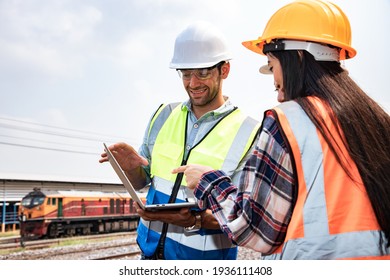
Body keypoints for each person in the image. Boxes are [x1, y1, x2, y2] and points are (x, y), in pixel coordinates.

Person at [173, 0, 390, 259]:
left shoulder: (288, 121)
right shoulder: (376, 120)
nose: (275, 87)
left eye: (272, 67)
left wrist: (208, 181)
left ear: (296, 57)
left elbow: (254, 229)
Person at [99, 21, 260, 260]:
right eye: (185, 73)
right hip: (150, 256)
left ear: (224, 70)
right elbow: (142, 182)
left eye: (203, 72)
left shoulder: (249, 132)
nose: (193, 83)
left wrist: (196, 220)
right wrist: (132, 168)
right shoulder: (164, 114)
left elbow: (246, 216)